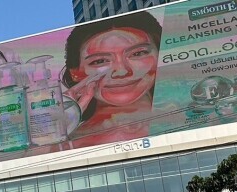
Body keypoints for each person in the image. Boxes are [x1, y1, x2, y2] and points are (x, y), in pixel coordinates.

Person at [62, 11, 162, 144]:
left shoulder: (191, 114)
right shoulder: (64, 142)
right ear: (75, 73)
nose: (121, 71)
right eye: (99, 61)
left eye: (138, 53)